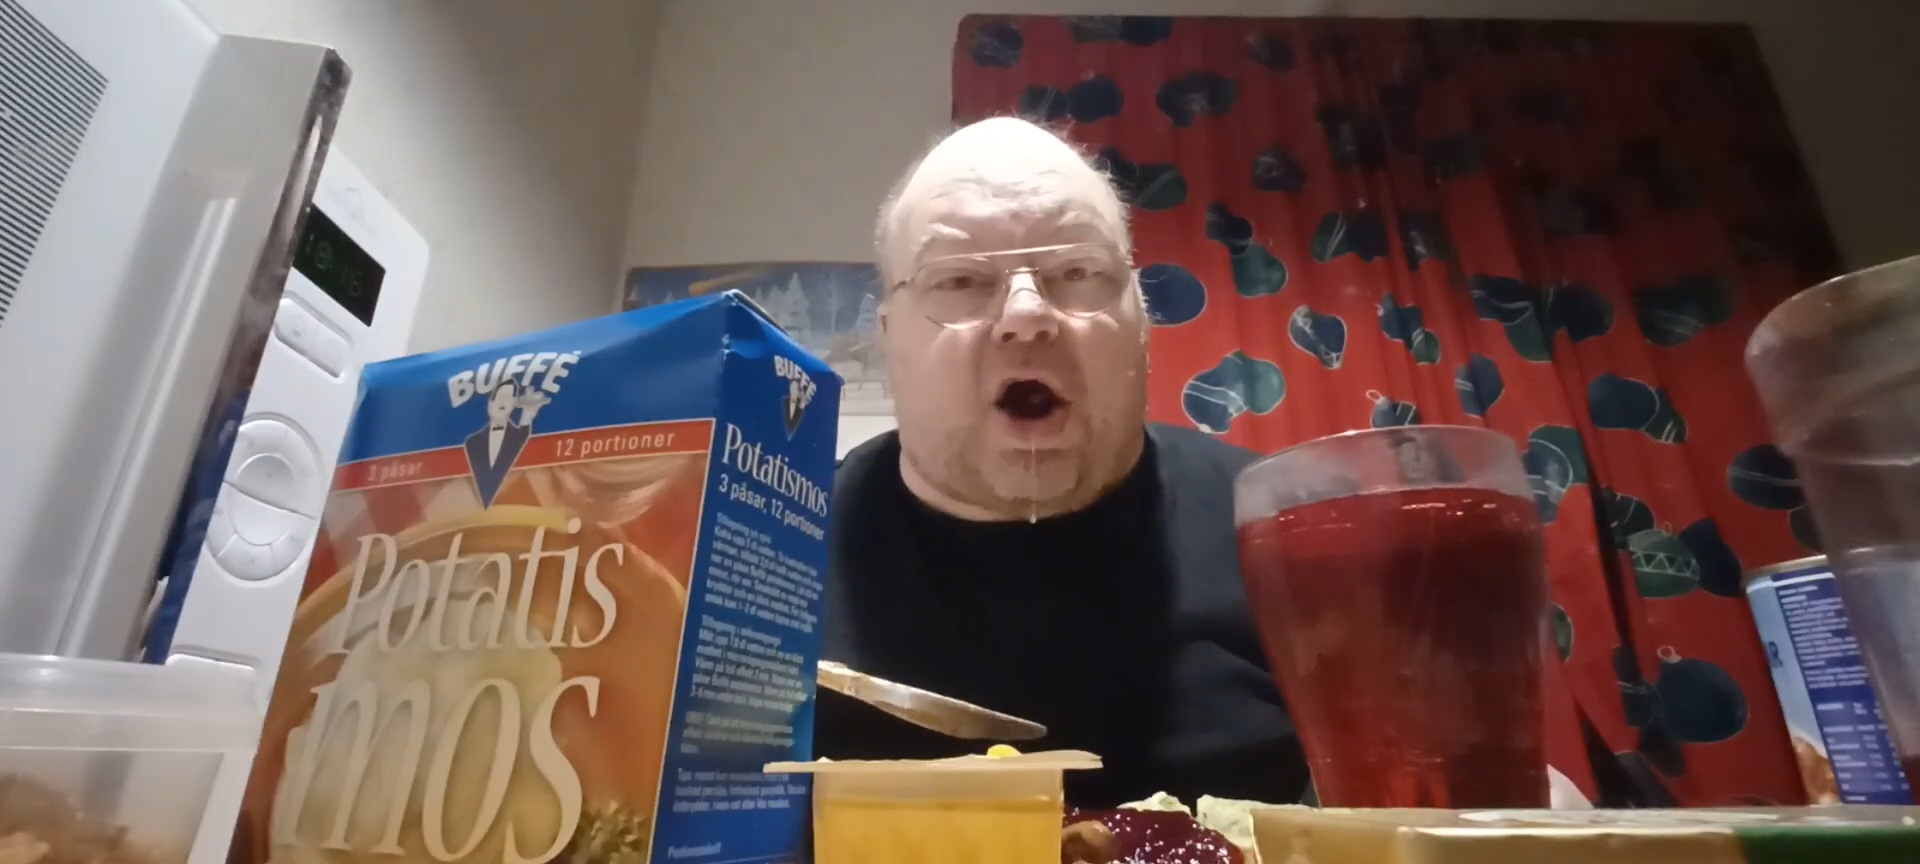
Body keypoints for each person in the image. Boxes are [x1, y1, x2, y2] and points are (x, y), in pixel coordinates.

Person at [816, 117, 1309, 808]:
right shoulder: (769, 555)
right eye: (960, 278)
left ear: (1142, 318)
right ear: (888, 338)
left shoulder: (1291, 532)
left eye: (1078, 272)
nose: (1027, 315)